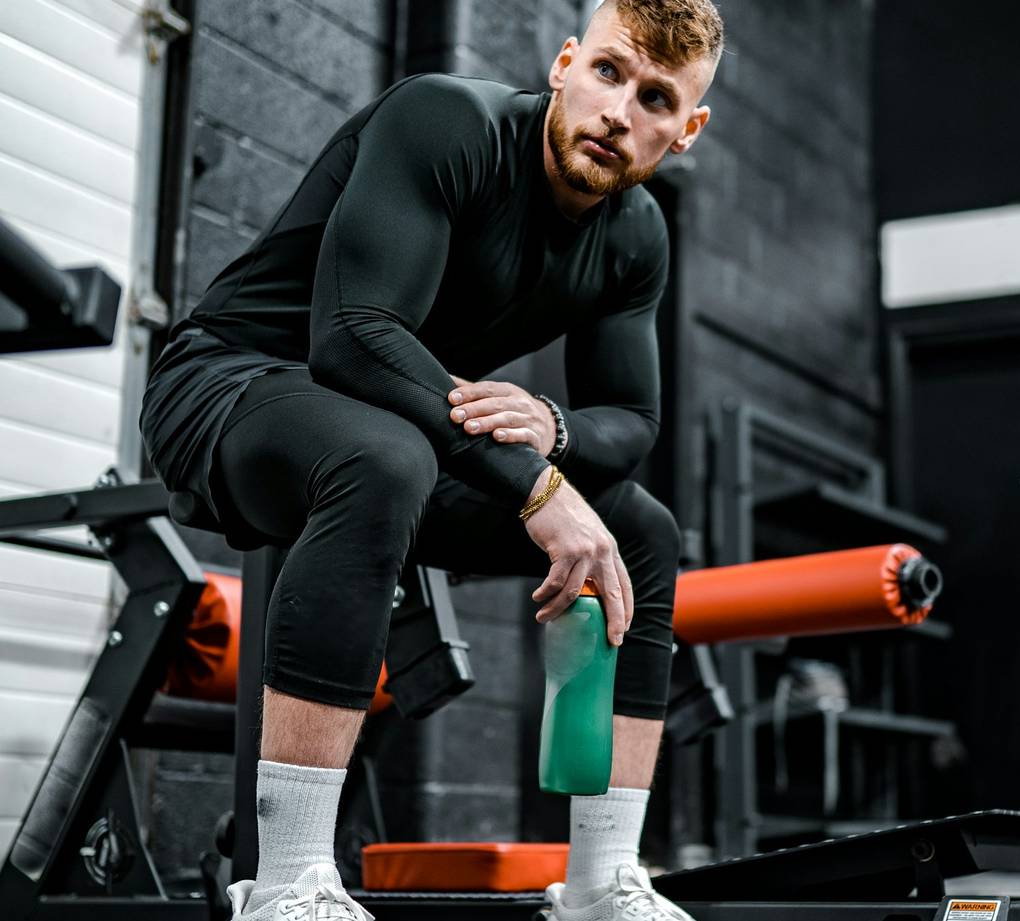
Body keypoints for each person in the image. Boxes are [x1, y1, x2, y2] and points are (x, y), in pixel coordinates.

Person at [140, 1, 721, 918]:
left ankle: (602, 879)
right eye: (608, 72)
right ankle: (288, 881)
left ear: (685, 130)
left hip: (398, 425)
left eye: (655, 98)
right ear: (566, 64)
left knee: (641, 529)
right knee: (385, 457)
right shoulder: (450, 122)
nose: (618, 111)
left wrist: (554, 430)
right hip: (228, 384)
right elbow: (352, 336)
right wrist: (537, 486)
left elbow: (633, 419)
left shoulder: (636, 234)